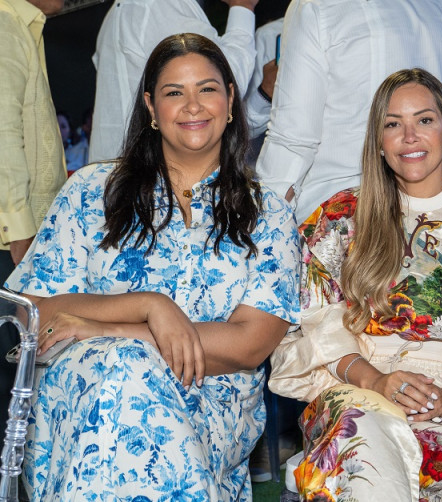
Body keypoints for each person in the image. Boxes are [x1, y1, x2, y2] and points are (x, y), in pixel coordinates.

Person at [5, 33, 300, 499]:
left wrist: (117, 331)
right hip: (84, 394)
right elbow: (31, 311)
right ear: (150, 107)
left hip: (209, 403)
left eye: (207, 89)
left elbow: (248, 345)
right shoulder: (91, 191)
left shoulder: (267, 214)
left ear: (229, 100)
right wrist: (147, 304)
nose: (193, 105)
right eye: (173, 92)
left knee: (128, 365)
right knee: (121, 374)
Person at [269, 68, 442, 501]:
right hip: (354, 384)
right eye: (393, 124)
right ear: (378, 141)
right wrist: (375, 381)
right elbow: (316, 322)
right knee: (362, 430)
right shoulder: (339, 219)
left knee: (386, 446)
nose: (409, 136)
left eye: (424, 120)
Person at [255, 0, 442, 223]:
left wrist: (268, 228)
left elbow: (292, 139)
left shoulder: (317, 6)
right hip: (435, 219)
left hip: (339, 223)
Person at [0, 0, 67, 454]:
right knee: (10, 389)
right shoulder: (4, 25)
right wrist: (21, 238)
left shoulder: (21, 26)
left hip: (16, 244)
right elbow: (2, 135)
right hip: (10, 247)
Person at [88, 0, 260, 163]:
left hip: (117, 170)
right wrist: (242, 6)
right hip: (153, 176)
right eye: (175, 93)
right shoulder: (162, 8)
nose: (193, 106)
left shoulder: (120, 11)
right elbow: (228, 77)